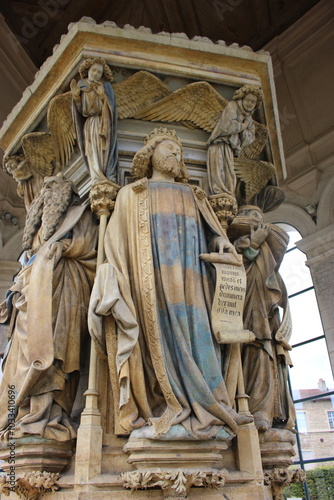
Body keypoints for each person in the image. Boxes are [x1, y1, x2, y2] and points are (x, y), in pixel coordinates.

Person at [89, 128, 252, 440]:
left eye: (179, 152)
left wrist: (222, 242)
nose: (176, 156)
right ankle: (163, 402)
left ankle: (207, 401)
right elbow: (114, 244)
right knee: (155, 339)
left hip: (193, 284)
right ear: (151, 154)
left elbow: (214, 231)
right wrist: (114, 277)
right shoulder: (132, 194)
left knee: (199, 336)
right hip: (149, 283)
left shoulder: (193, 195)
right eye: (169, 149)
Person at [0, 174, 97, 442]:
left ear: (65, 194)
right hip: (30, 303)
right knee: (21, 360)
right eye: (44, 189)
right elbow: (26, 263)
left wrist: (63, 247)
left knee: (53, 358)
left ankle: (49, 416)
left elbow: (90, 247)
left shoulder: (79, 215)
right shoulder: (36, 230)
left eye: (52, 189)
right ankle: (22, 415)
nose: (46, 192)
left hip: (63, 298)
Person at [228, 205, 295, 432]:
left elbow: (273, 268)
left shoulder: (268, 250)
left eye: (260, 216)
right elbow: (232, 268)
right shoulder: (236, 244)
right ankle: (244, 407)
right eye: (252, 216)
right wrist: (252, 244)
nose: (257, 219)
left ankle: (264, 410)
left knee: (264, 355)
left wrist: (260, 244)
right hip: (240, 308)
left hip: (264, 312)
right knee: (244, 353)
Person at [207, 84, 264, 197]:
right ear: (242, 98)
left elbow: (249, 138)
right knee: (219, 174)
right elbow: (226, 126)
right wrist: (243, 126)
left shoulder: (249, 118)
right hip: (219, 145)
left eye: (253, 102)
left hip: (231, 149)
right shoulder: (232, 106)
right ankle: (220, 196)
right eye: (248, 100)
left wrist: (244, 129)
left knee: (229, 177)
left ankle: (226, 196)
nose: (249, 104)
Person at [71, 57, 119, 183]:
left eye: (99, 72)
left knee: (103, 149)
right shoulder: (81, 87)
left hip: (102, 122)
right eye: (94, 70)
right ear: (87, 70)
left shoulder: (105, 86)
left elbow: (111, 108)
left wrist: (102, 95)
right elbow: (80, 111)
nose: (96, 74)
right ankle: (96, 176)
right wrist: (76, 97)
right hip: (90, 124)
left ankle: (106, 174)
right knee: (92, 151)